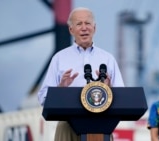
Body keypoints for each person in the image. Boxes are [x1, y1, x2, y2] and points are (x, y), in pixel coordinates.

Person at [37, 7, 124, 141]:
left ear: (94, 28)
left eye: (88, 23)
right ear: (71, 30)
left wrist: (109, 88)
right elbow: (43, 98)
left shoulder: (108, 59)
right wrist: (60, 88)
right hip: (68, 126)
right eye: (79, 24)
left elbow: (123, 98)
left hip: (102, 126)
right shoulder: (59, 58)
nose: (84, 28)